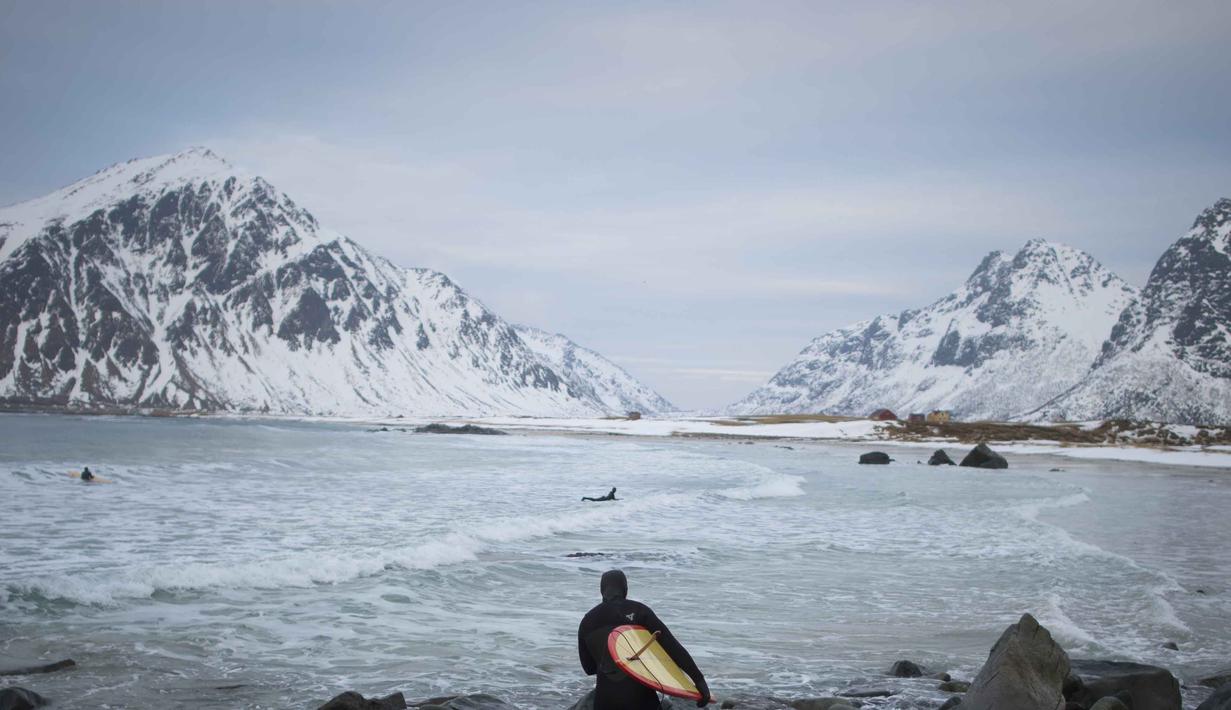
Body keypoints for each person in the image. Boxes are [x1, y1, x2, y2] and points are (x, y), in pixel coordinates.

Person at [578, 569, 710, 709]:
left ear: (601, 590)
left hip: (605, 701)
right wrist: (699, 681)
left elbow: (589, 668)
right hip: (640, 698)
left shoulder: (587, 621)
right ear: (625, 589)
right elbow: (672, 647)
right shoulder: (640, 611)